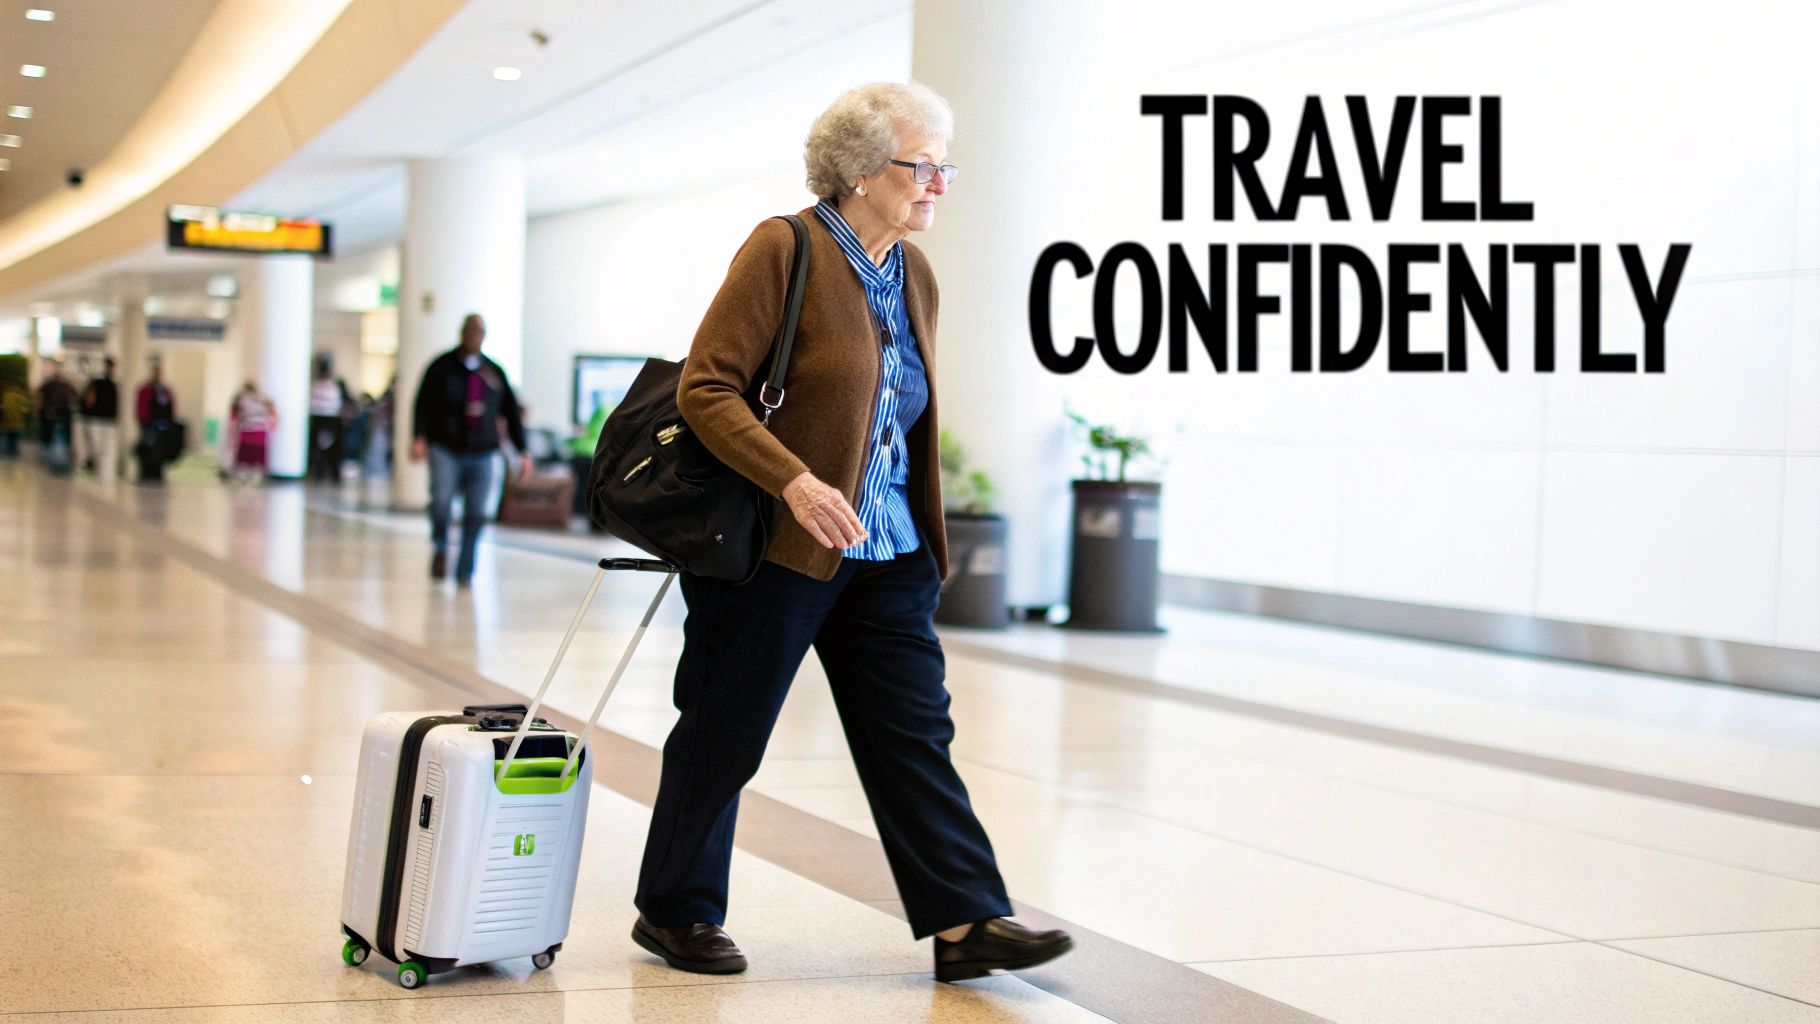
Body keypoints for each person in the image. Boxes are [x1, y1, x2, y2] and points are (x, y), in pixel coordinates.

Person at [629, 82, 1071, 984]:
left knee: (914, 735)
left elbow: (898, 416)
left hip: (888, 550)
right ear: (863, 171)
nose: (940, 183)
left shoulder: (914, 272)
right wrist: (792, 479)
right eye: (924, 165)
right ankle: (675, 910)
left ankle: (966, 921)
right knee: (726, 729)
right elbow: (705, 387)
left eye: (947, 166)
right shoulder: (784, 248)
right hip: (778, 549)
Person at [409, 313, 530, 586]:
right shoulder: (441, 367)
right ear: (461, 332)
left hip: (483, 451)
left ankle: (465, 568)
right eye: (470, 330)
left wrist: (523, 450)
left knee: (476, 511)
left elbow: (511, 413)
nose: (474, 336)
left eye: (479, 332)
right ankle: (441, 547)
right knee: (441, 503)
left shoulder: (493, 373)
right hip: (445, 447)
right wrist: (418, 437)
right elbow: (422, 404)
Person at [34, 361, 80, 475]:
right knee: (63, 438)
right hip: (64, 413)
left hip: (50, 412)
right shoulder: (68, 384)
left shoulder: (49, 383)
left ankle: (50, 459)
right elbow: (76, 396)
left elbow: (38, 394)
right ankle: (61, 462)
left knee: (49, 436)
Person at [135, 362, 177, 483]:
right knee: (147, 447)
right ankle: (146, 472)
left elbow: (170, 406)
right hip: (149, 424)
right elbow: (141, 406)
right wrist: (143, 420)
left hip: (162, 425)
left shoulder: (164, 390)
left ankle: (157, 471)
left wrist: (170, 421)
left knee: (160, 449)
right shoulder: (146, 389)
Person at [80, 356, 120, 483]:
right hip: (96, 419)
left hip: (109, 420)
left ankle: (105, 474)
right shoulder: (97, 382)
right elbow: (89, 400)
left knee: (106, 448)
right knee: (97, 447)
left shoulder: (114, 384)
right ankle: (100, 471)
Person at [307, 357, 347, 483]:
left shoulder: (335, 386)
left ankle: (333, 473)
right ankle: (318, 472)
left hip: (332, 420)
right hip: (321, 419)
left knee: (333, 449)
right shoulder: (318, 386)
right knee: (317, 448)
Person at [229, 380, 277, 482]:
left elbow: (234, 415)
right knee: (255, 451)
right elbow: (272, 410)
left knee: (248, 451)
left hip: (249, 428)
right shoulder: (263, 399)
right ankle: (254, 472)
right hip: (257, 429)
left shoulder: (242, 399)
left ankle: (246, 471)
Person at [0, 378, 27, 459]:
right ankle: (14, 452)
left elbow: (2, 407)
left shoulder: (5, 395)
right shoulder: (19, 395)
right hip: (17, 421)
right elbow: (24, 409)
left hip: (6, 421)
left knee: (8, 436)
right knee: (15, 437)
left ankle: (8, 451)